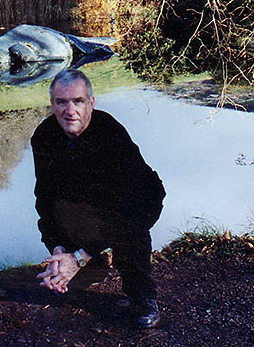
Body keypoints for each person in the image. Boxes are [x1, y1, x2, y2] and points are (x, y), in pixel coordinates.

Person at [31, 69, 166, 329]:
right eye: (61, 102)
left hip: (138, 201)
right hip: (89, 198)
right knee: (63, 210)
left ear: (91, 103)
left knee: (130, 233)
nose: (70, 110)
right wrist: (58, 249)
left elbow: (125, 206)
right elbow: (45, 198)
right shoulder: (44, 136)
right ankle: (89, 265)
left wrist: (81, 256)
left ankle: (143, 297)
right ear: (52, 104)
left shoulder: (110, 134)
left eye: (78, 101)